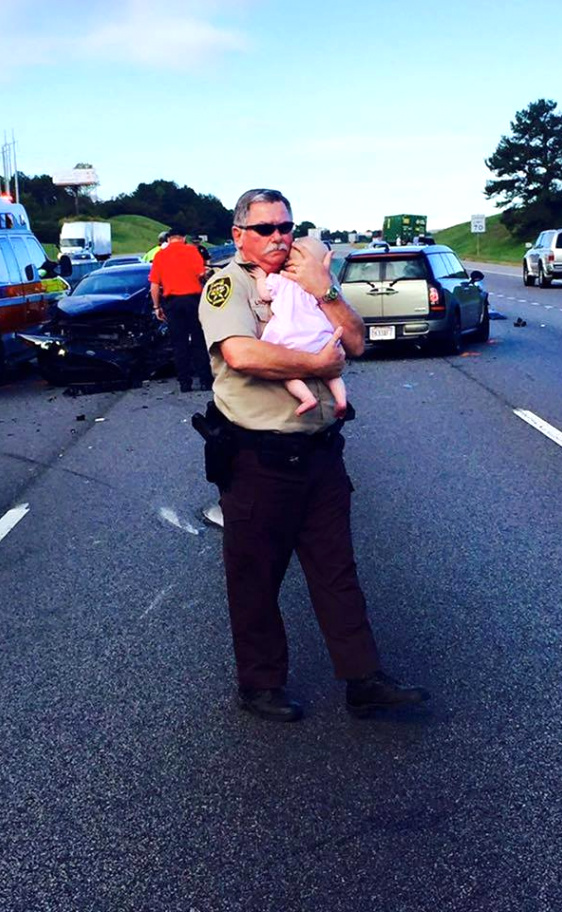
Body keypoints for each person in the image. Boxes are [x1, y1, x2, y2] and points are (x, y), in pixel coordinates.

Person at [198, 188, 430, 722]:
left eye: (286, 226)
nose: (279, 237)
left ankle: (363, 678)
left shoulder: (311, 279)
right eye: (265, 229)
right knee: (256, 578)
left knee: (336, 570)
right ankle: (259, 685)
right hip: (259, 461)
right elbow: (240, 352)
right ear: (239, 235)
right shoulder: (227, 286)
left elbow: (356, 341)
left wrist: (326, 291)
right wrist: (317, 363)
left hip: (322, 455)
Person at [254, 235, 347, 418]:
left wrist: (259, 278)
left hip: (289, 337)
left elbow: (265, 294)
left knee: (287, 374)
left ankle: (306, 398)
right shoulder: (318, 282)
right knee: (332, 374)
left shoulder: (280, 280)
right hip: (319, 336)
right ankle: (342, 400)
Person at [151, 228, 212, 392]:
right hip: (193, 301)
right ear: (184, 238)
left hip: (173, 303)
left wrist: (157, 306)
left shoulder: (160, 256)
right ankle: (205, 380)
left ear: (168, 239)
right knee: (199, 341)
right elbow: (202, 275)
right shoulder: (192, 252)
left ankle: (185, 383)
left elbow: (155, 285)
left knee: (179, 344)